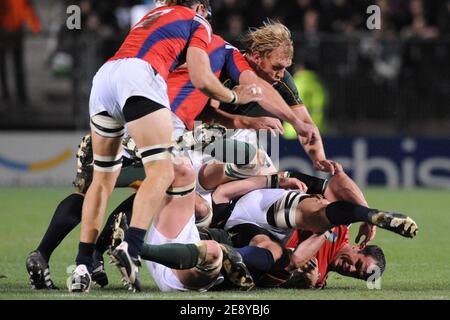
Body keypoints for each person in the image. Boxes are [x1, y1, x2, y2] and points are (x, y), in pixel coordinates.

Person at [67, 0, 268, 293]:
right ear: (199, 6)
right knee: (161, 172)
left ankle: (82, 263)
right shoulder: (197, 20)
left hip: (105, 78)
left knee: (102, 179)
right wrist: (234, 97)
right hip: (139, 77)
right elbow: (201, 79)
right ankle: (132, 246)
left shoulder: (154, 13)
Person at [0, 0, 41, 103]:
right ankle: (16, 95)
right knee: (13, 65)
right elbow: (26, 9)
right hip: (10, 31)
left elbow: (25, 8)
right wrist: (35, 27)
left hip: (10, 31)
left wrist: (35, 26)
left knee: (11, 65)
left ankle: (11, 95)